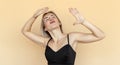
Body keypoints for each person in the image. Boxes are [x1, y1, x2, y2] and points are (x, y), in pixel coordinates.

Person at [21, 7, 105, 65]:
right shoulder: (46, 42)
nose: (50, 19)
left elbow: (100, 35)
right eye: (46, 19)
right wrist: (34, 16)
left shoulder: (72, 37)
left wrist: (83, 21)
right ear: (45, 28)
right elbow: (25, 31)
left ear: (59, 22)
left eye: (52, 17)